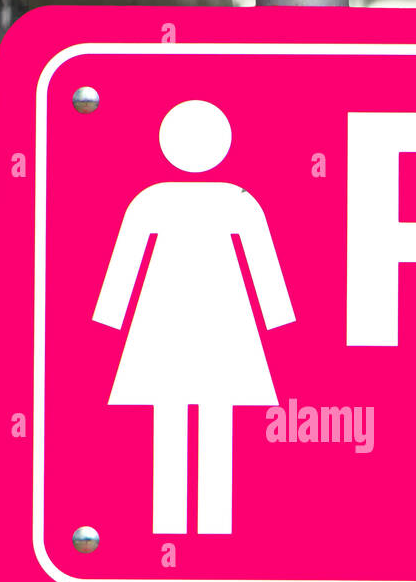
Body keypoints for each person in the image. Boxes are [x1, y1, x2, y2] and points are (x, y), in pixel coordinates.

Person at [93, 99, 295, 535]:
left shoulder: (159, 199)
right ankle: (195, 525)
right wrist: (279, 319)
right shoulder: (234, 200)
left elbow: (126, 265)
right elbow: (263, 268)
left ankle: (185, 525)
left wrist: (109, 317)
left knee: (186, 419)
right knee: (199, 420)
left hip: (173, 321)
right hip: (211, 321)